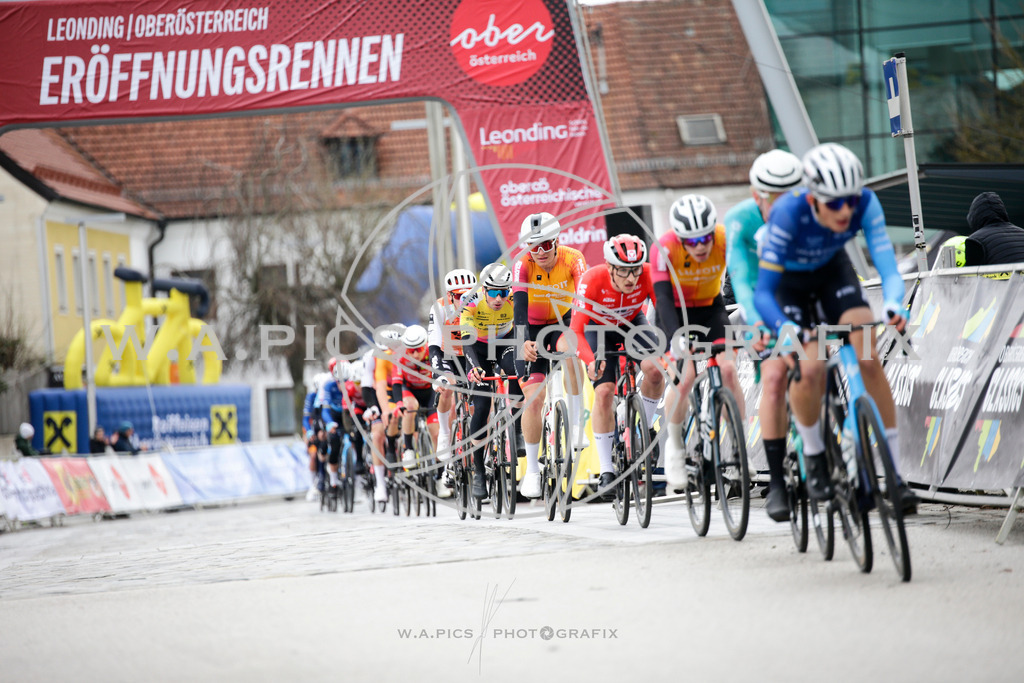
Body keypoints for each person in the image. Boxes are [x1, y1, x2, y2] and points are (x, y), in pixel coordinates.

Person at [753, 142, 913, 510]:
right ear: (812, 199)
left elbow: (887, 269)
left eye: (850, 201)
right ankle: (813, 451)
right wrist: (787, 329)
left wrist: (892, 304)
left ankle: (895, 475)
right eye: (834, 203)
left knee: (868, 353)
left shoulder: (866, 204)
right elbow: (764, 293)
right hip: (787, 288)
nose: (844, 211)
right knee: (809, 369)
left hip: (831, 274)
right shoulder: (788, 215)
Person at [724, 149, 804, 521]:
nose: (783, 203)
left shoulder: (813, 211)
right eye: (774, 196)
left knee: (822, 367)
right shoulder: (740, 220)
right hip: (761, 300)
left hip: (802, 292)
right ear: (758, 196)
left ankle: (823, 449)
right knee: (773, 380)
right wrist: (756, 324)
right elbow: (741, 279)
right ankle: (776, 481)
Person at [653, 193, 744, 492]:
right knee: (686, 375)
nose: (702, 246)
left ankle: (738, 449)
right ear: (680, 239)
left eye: (705, 237)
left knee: (729, 370)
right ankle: (675, 449)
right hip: (673, 313)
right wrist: (678, 337)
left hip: (709, 307)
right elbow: (663, 299)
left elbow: (743, 277)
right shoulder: (664, 249)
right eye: (692, 242)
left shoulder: (724, 239)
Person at [570, 234, 665, 496]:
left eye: (635, 270)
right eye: (623, 271)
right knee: (603, 392)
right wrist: (590, 361)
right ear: (609, 267)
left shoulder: (647, 274)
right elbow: (575, 331)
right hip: (597, 330)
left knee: (655, 370)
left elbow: (665, 313)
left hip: (633, 323)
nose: (631, 278)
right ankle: (606, 470)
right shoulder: (591, 280)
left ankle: (642, 429)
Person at [512, 212, 588, 499]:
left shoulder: (573, 258)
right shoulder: (522, 266)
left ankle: (578, 426)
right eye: (534, 247)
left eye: (546, 245)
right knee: (533, 400)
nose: (540, 252)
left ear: (557, 241)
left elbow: (584, 300)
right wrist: (523, 342)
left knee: (570, 349)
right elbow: (518, 309)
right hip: (530, 327)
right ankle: (532, 470)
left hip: (562, 321)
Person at [461, 263, 523, 499]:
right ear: (484, 289)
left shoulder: (514, 299)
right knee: (482, 407)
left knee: (517, 371)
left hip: (504, 343)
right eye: (494, 292)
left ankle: (516, 429)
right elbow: (466, 339)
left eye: (504, 292)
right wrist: (474, 366)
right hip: (476, 347)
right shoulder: (471, 300)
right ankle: (478, 471)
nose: (499, 298)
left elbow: (520, 333)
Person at [395, 324, 438, 465]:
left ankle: (440, 473)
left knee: (435, 432)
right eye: (411, 351)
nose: (415, 355)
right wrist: (399, 403)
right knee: (410, 406)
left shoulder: (432, 351)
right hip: (410, 390)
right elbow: (396, 382)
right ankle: (408, 449)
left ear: (425, 345)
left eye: (418, 350)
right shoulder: (400, 356)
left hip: (430, 390)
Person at [961, 191, 1024, 267]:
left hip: (1004, 279)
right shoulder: (1022, 232)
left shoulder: (975, 240)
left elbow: (970, 275)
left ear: (974, 218)